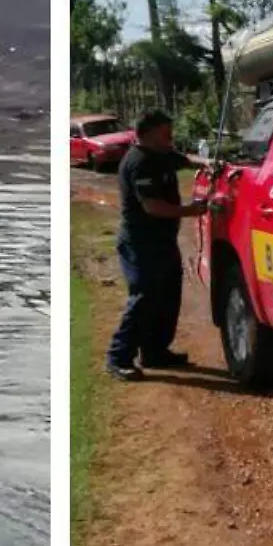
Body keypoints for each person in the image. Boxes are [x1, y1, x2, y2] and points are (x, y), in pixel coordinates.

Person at [105, 111, 209, 381]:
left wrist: (211, 162)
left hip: (162, 241)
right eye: (166, 133)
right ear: (149, 133)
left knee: (168, 295)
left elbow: (185, 160)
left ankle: (155, 350)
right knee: (145, 297)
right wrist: (192, 210)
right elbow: (153, 207)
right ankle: (119, 357)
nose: (171, 138)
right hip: (141, 242)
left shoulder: (160, 153)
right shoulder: (139, 163)